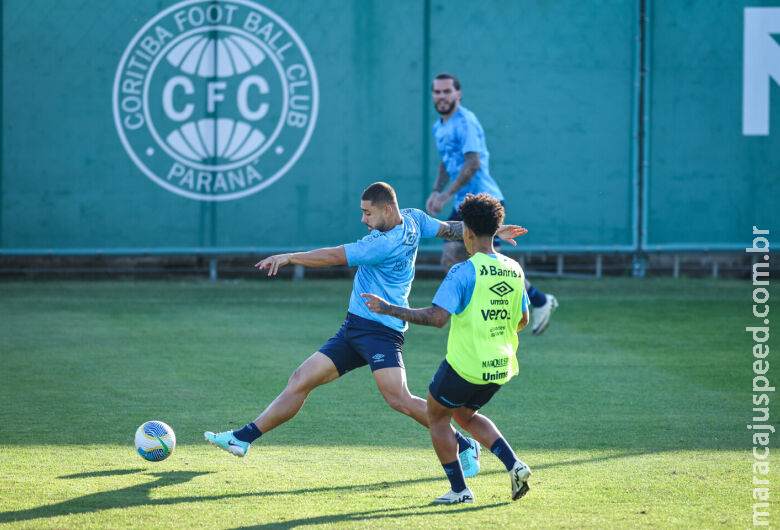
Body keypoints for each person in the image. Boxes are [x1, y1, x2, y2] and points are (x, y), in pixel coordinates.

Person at [204, 182, 527, 480]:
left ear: (387, 209)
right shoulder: (414, 219)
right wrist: (491, 230)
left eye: (367, 212)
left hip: (381, 330)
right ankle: (242, 438)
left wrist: (289, 257)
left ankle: (463, 444)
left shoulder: (382, 244)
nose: (363, 219)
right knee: (301, 378)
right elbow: (453, 229)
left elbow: (332, 256)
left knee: (399, 399)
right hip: (355, 326)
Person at [362, 193, 533, 504]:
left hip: (465, 366)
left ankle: (459, 490)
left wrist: (391, 309)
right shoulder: (514, 268)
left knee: (437, 417)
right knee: (466, 416)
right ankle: (515, 465)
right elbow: (522, 319)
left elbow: (437, 318)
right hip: (499, 365)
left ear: (466, 231)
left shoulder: (463, 271)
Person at [426, 72, 558, 335]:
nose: (442, 96)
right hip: (465, 202)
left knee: (489, 262)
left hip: (485, 200)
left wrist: (444, 196)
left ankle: (534, 303)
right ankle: (531, 301)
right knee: (451, 260)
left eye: (447, 91)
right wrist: (436, 190)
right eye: (437, 92)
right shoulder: (439, 126)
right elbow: (446, 159)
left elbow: (472, 163)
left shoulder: (466, 121)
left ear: (458, 94)